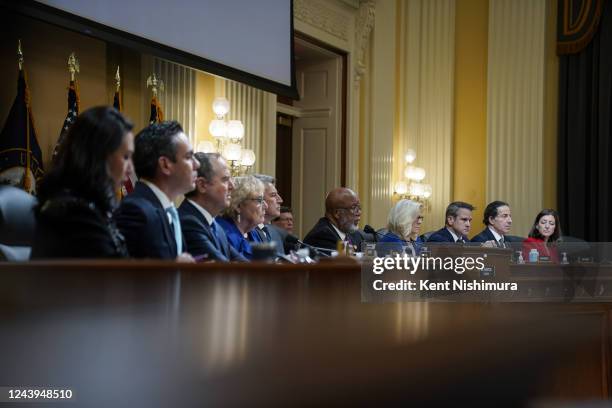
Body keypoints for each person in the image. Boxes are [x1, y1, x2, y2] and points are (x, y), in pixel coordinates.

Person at [31, 106, 133, 258]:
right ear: (100, 156)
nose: (130, 169)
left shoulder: (89, 205)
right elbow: (116, 275)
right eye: (125, 157)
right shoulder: (76, 214)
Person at [114, 121, 199, 261]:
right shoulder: (135, 211)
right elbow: (126, 275)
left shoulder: (169, 210)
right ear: (165, 165)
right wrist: (175, 270)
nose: (197, 164)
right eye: (189, 157)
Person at [178, 152, 247, 262]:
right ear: (202, 185)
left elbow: (242, 264)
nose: (232, 186)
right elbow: (221, 269)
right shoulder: (188, 222)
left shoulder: (215, 225)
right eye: (225, 179)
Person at [216, 175, 268, 260]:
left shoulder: (255, 233)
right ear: (238, 206)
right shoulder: (222, 232)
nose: (266, 206)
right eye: (259, 200)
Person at [303, 187, 367, 252]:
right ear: (337, 213)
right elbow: (342, 261)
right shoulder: (322, 236)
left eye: (359, 207)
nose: (359, 212)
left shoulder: (352, 233)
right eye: (354, 208)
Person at [251, 174, 285, 256]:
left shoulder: (275, 233)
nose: (280, 200)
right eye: (273, 195)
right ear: (259, 197)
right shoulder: (248, 231)